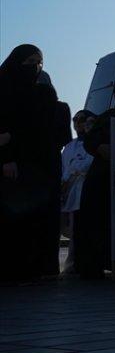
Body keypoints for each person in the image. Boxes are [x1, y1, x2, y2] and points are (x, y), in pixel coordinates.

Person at [0, 45, 72, 282]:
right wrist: (8, 155)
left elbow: (42, 132)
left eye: (39, 62)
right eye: (29, 61)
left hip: (40, 166)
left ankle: (38, 266)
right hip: (15, 166)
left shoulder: (44, 98)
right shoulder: (6, 89)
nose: (35, 66)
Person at [75, 80, 115, 279]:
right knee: (95, 216)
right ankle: (92, 265)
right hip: (101, 173)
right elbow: (90, 138)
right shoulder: (107, 116)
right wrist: (99, 148)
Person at [59, 110, 95, 274]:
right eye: (75, 119)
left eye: (82, 119)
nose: (78, 122)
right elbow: (64, 167)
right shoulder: (69, 146)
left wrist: (74, 170)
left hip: (83, 191)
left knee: (78, 230)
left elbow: (87, 165)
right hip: (67, 190)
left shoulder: (93, 142)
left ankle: (74, 263)